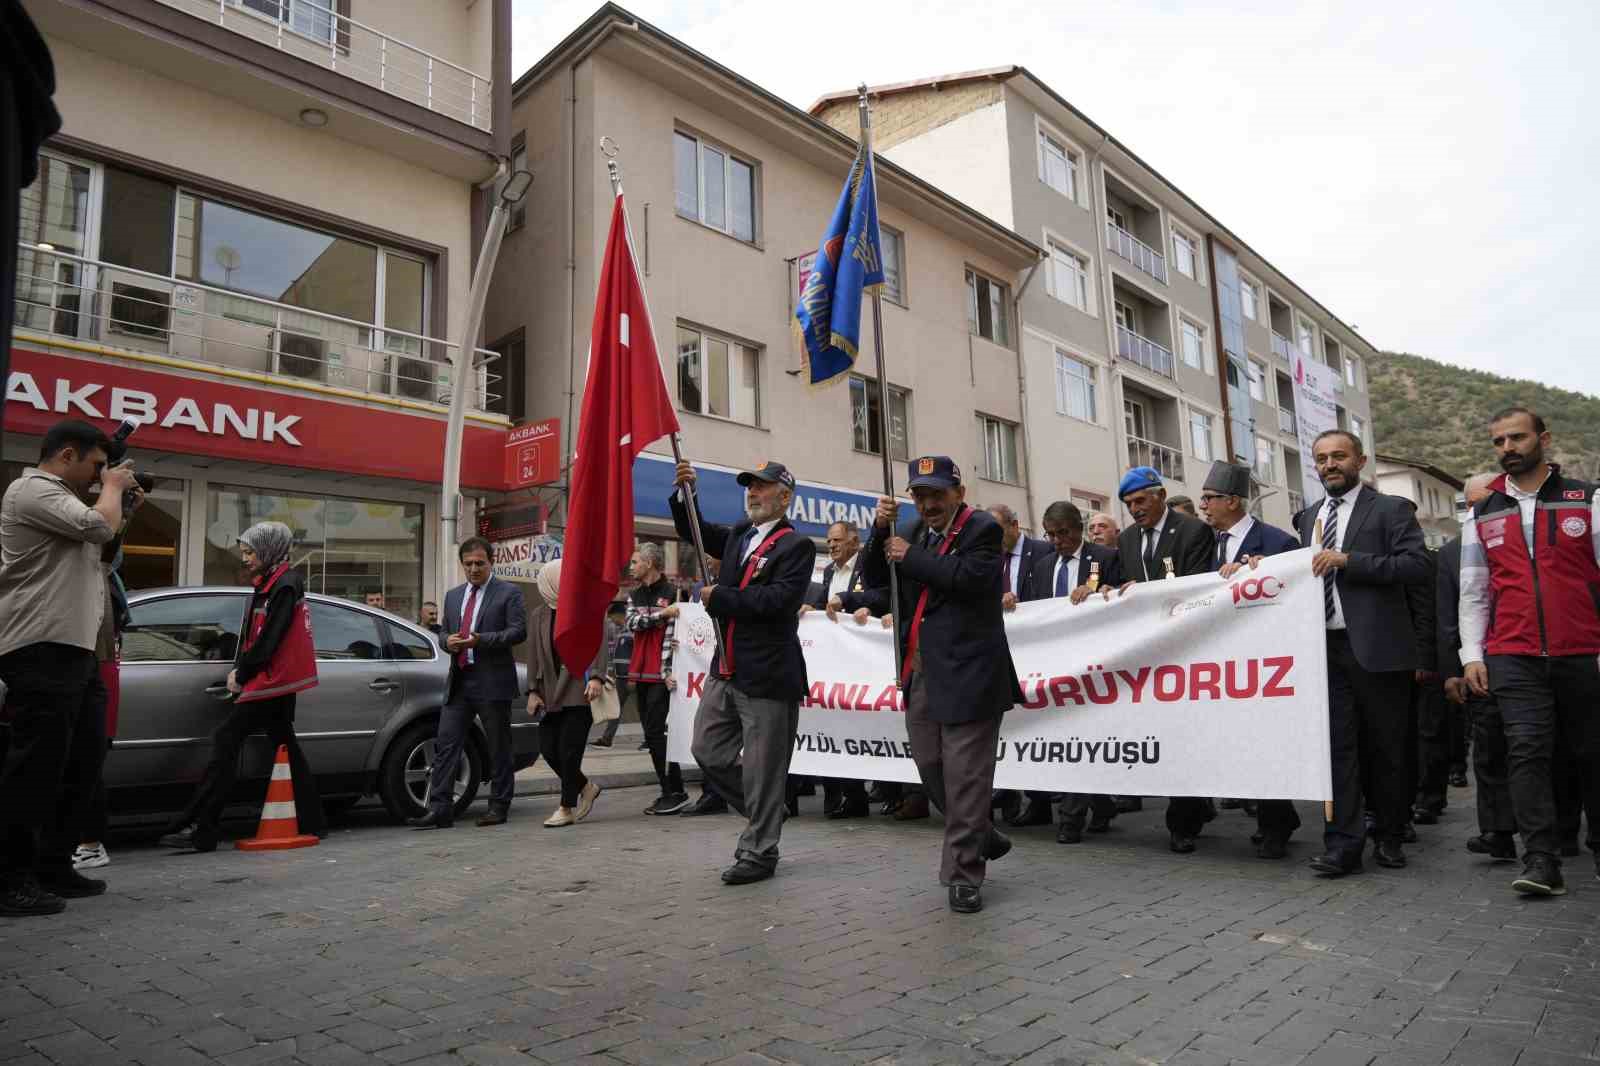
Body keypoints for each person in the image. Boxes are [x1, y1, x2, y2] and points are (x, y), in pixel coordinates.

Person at [859, 455, 1018, 914]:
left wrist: (913, 557)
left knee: (966, 779)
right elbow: (875, 580)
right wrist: (878, 532)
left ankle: (963, 874)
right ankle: (981, 833)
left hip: (971, 673)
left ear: (959, 494)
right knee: (932, 769)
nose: (927, 503)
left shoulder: (982, 529)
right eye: (919, 495)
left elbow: (971, 580)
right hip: (923, 670)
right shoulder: (908, 532)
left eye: (936, 494)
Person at [1460, 407, 1600, 896]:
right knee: (1526, 753)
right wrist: (1472, 655)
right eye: (1498, 441)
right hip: (1512, 653)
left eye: (1516, 438)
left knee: (1591, 752)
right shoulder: (1483, 510)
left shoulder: (1587, 499)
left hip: (1584, 650)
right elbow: (1474, 589)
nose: (1507, 448)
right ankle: (1541, 859)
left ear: (1544, 438)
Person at [0, 420, 134, 914]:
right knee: (35, 768)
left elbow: (104, 549)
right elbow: (97, 526)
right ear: (66, 455)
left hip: (77, 649)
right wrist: (115, 489)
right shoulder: (32, 489)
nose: (101, 474)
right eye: (96, 465)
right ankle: (9, 877)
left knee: (80, 763)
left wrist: (124, 503)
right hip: (40, 644)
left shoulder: (72, 504)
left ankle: (51, 864)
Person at [1291, 430, 1428, 877]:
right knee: (1338, 751)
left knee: (1386, 749)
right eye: (1322, 458)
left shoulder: (1390, 509)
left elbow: (1415, 566)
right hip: (1324, 651)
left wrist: (1350, 561)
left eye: (1339, 457)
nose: (1330, 465)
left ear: (1360, 460)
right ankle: (1343, 845)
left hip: (1380, 650)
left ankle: (1389, 834)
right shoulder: (1307, 516)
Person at [673, 458, 813, 884]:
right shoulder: (739, 534)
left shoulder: (797, 546)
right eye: (749, 486)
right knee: (707, 749)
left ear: (784, 497)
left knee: (764, 768)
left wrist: (724, 598)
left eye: (762, 487)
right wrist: (686, 494)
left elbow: (778, 603)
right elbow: (694, 531)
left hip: (769, 676)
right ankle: (766, 810)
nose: (752, 492)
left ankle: (759, 851)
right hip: (727, 669)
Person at [160, 521, 326, 853]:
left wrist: (244, 672)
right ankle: (313, 819)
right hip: (272, 680)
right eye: (245, 552)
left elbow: (270, 639)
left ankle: (201, 826)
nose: (246, 558)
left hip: (271, 681)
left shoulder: (285, 585)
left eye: (250, 552)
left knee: (227, 739)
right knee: (284, 746)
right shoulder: (273, 582)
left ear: (268, 550)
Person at [1111, 465, 1215, 854]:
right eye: (1128, 504)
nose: (1135, 509)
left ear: (1159, 495)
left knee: (1183, 737)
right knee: (1164, 738)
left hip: (1188, 650)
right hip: (1148, 656)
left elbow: (1200, 588)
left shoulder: (1193, 532)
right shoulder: (1126, 540)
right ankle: (1194, 808)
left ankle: (1184, 823)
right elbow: (1126, 588)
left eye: (1140, 501)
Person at [1205, 462, 1303, 858]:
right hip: (1226, 663)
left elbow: (1295, 593)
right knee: (1244, 745)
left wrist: (1256, 574)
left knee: (1269, 744)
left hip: (1268, 664)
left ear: (1232, 500)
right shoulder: (1208, 545)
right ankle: (1274, 816)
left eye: (1210, 498)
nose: (1203, 505)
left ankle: (1277, 823)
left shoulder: (1278, 543)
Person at [1017, 500, 1121, 844]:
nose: (1057, 540)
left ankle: (1070, 819)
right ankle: (1103, 805)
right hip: (1055, 662)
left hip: (1094, 661)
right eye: (1051, 534)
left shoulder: (1104, 559)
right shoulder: (1043, 566)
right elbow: (1034, 611)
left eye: (1063, 533)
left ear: (1078, 528)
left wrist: (1101, 592)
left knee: (1082, 734)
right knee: (1069, 738)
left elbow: (1125, 598)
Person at [408, 537, 527, 830]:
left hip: (493, 680)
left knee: (498, 745)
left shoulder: (508, 593)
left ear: (491, 562)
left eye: (479, 563)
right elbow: (444, 633)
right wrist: (446, 641)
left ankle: (499, 805)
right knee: (446, 744)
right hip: (460, 680)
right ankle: (440, 809)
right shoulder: (452, 596)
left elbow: (518, 631)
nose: (473, 569)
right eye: (468, 564)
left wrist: (481, 640)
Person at [1438, 473, 1516, 863]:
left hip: (1529, 660)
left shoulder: (1522, 536)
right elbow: (1449, 615)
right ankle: (1497, 832)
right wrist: (1454, 668)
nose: (1480, 510)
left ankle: (1561, 831)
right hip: (1480, 667)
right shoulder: (1452, 553)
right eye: (1474, 504)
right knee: (1488, 753)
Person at [524, 560, 606, 827]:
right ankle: (586, 787)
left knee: (569, 752)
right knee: (548, 748)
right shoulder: (539, 614)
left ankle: (565, 807)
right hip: (550, 692)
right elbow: (534, 655)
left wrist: (596, 676)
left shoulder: (585, 610)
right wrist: (532, 691)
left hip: (578, 690)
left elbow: (598, 643)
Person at [805, 520, 869, 819]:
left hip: (866, 660)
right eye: (829, 541)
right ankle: (852, 795)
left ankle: (897, 793)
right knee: (841, 729)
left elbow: (880, 597)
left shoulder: (868, 566)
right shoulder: (829, 572)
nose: (831, 546)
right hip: (837, 663)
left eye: (837, 540)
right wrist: (812, 609)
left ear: (854, 541)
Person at [625, 543, 693, 815]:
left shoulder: (675, 592)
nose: (631, 567)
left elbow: (686, 630)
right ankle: (670, 790)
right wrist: (662, 615)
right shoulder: (635, 594)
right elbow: (632, 623)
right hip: (641, 672)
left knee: (659, 733)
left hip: (664, 674)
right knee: (652, 734)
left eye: (635, 562)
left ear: (649, 563)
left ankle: (674, 791)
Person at [591, 603, 631, 748]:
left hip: (634, 678)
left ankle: (650, 740)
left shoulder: (634, 631)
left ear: (621, 615)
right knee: (616, 708)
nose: (612, 622)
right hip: (620, 677)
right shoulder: (621, 631)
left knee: (645, 710)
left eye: (613, 619)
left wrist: (633, 675)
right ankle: (607, 738)